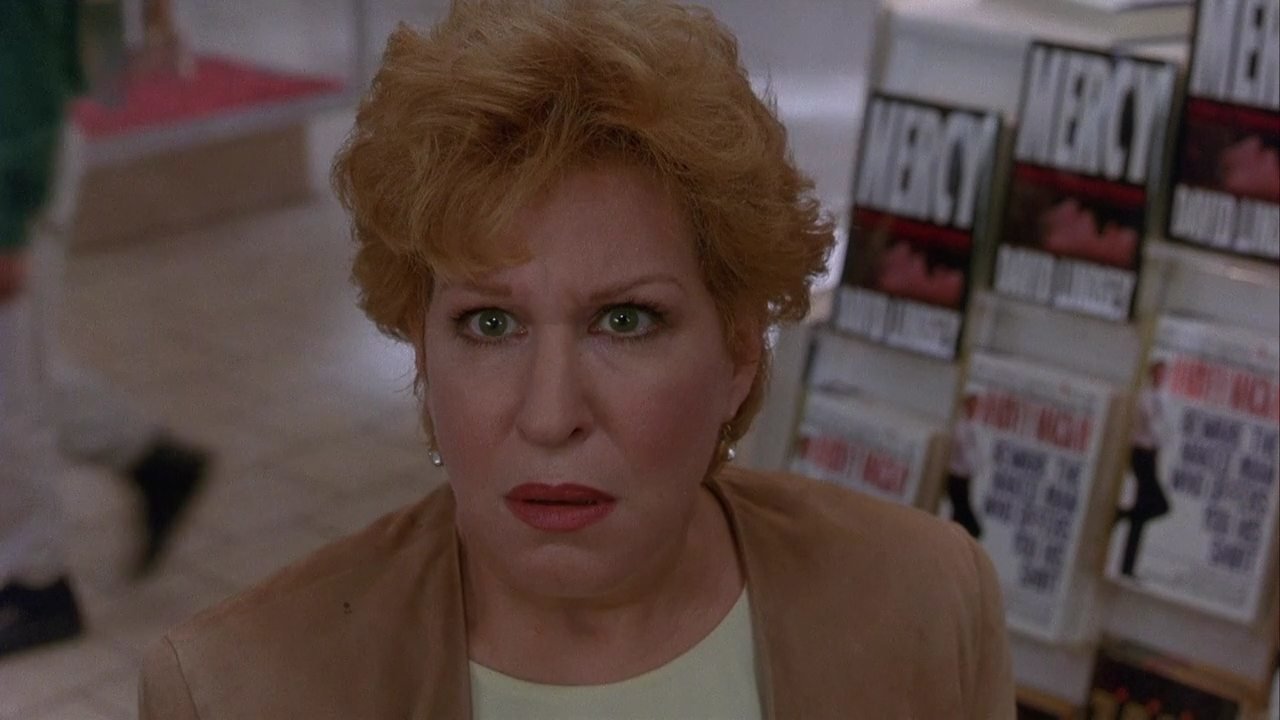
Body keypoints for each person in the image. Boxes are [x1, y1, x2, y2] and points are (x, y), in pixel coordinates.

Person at [138, 1, 1016, 716]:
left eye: (625, 321)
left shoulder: (926, 605)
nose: (551, 414)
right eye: (490, 324)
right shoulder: (237, 691)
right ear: (422, 348)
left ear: (740, 352)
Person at [0, 0, 207, 660]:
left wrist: (7, 223)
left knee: (8, 387)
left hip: (12, 169)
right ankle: (146, 456)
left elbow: (22, 71)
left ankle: (37, 582)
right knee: (16, 370)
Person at [1116, 360, 1172, 578]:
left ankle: (1127, 567)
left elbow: (1167, 429)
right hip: (1141, 453)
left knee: (1142, 511)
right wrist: (1163, 436)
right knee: (1161, 505)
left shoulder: (1163, 397)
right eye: (1158, 374)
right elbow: (1155, 428)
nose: (1161, 378)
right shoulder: (1145, 398)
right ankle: (1120, 514)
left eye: (1164, 374)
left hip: (1152, 454)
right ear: (1151, 374)